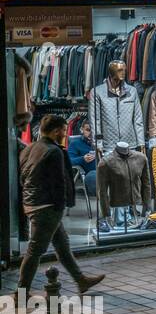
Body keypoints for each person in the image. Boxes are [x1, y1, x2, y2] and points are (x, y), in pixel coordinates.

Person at [12, 115, 105, 301]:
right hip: (47, 207)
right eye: (63, 130)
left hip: (34, 203)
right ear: (56, 131)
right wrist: (61, 206)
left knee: (62, 245)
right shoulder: (54, 151)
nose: (65, 133)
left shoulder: (31, 148)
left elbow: (22, 177)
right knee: (35, 250)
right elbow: (59, 182)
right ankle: (20, 294)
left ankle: (81, 280)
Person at [67, 118, 98, 197]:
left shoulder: (103, 142)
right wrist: (82, 159)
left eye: (94, 130)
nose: (91, 133)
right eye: (88, 130)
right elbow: (68, 161)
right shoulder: (75, 144)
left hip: (110, 170)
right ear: (81, 129)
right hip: (93, 173)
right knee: (93, 177)